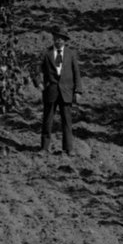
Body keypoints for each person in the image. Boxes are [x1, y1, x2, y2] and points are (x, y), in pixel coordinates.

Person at [39, 27, 81, 155]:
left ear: (65, 41)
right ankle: (44, 148)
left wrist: (78, 91)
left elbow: (76, 73)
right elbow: (36, 69)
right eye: (56, 38)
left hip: (66, 91)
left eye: (61, 39)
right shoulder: (46, 53)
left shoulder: (71, 54)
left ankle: (69, 148)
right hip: (50, 91)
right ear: (53, 39)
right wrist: (39, 83)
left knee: (67, 121)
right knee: (47, 120)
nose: (58, 40)